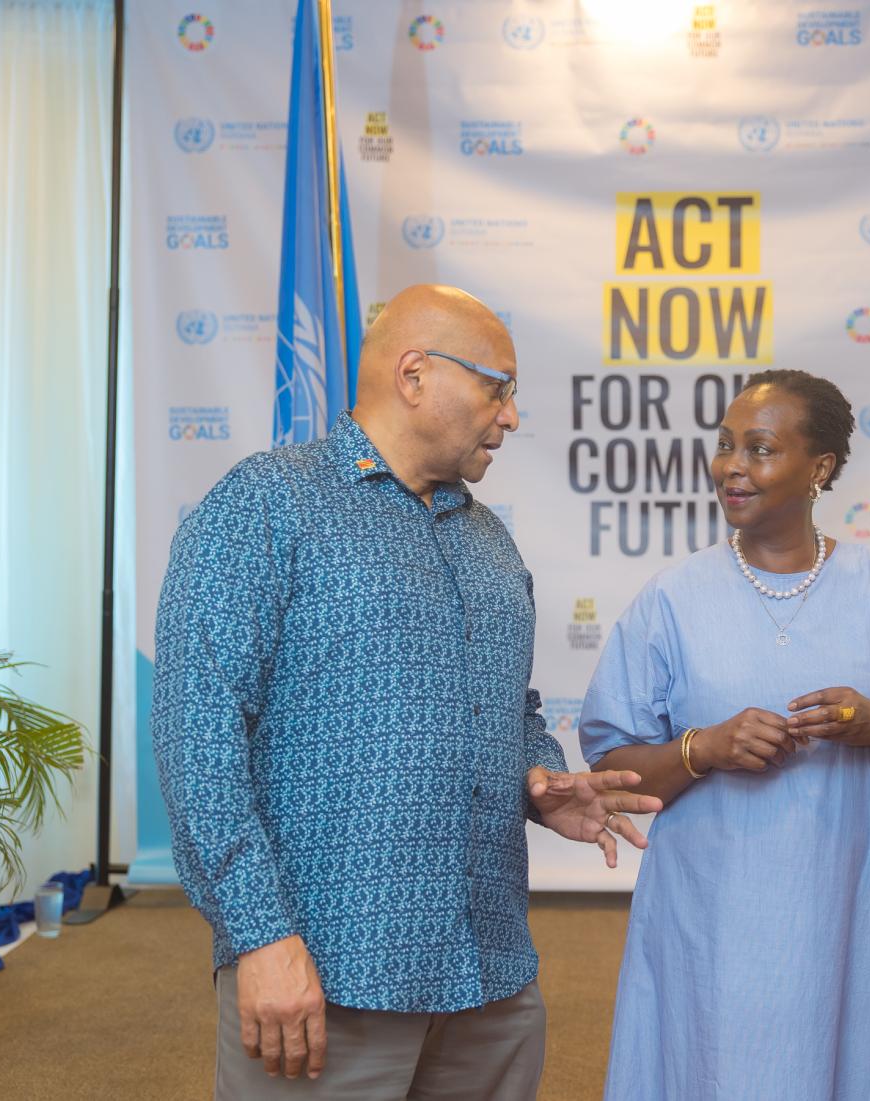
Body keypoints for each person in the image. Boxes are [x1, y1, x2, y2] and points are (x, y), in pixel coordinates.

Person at [152, 284, 662, 1100]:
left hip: (488, 973)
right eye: (498, 387)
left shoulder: (489, 538)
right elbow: (197, 735)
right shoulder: (265, 504)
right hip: (330, 969)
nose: (512, 416)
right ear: (415, 373)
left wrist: (539, 778)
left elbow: (512, 708)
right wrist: (259, 937)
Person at [579, 370, 870, 1100]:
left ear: (819, 468)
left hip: (845, 922)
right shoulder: (672, 598)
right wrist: (703, 748)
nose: (732, 465)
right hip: (711, 924)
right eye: (725, 445)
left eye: (759, 448)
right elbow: (612, 765)